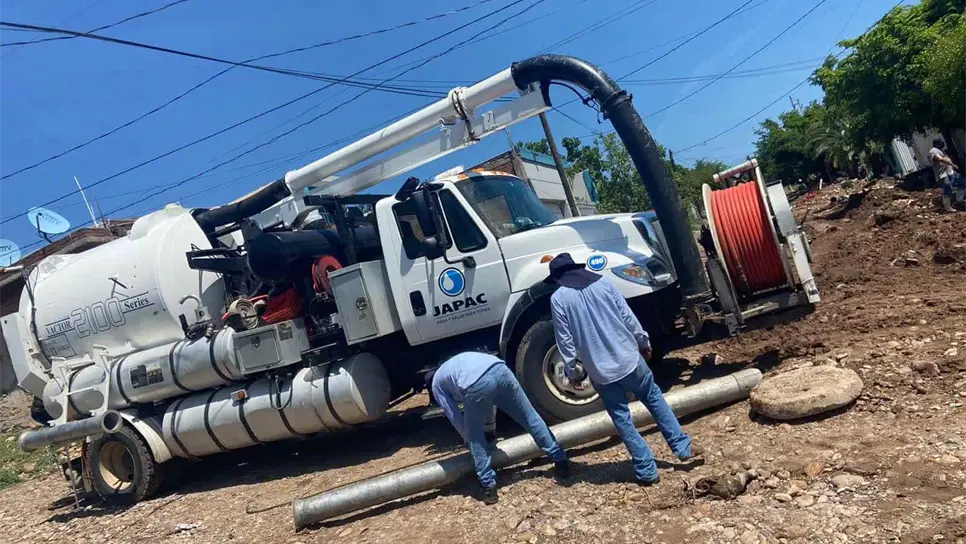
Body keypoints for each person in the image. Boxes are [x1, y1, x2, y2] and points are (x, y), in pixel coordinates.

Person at [547, 253, 702, 486]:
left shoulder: (559, 298)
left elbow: (565, 340)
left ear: (558, 277)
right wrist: (643, 342)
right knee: (654, 399)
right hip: (630, 360)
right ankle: (682, 447)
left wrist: (572, 372)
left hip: (601, 372)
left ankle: (646, 469)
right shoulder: (603, 282)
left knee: (622, 419)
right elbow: (627, 317)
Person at [427, 351, 570, 505]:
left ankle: (488, 486)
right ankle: (561, 461)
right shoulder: (453, 366)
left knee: (475, 436)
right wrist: (490, 429)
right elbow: (488, 403)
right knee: (530, 417)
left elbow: (454, 416)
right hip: (500, 369)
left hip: (476, 382)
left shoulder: (436, 385)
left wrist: (468, 438)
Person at [929, 137, 965, 211]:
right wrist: (952, 164)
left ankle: (959, 200)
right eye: (941, 142)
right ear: (937, 143)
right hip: (942, 174)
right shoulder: (933, 151)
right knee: (948, 188)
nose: (943, 143)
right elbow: (939, 159)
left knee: (963, 182)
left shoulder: (941, 151)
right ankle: (947, 207)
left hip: (951, 173)